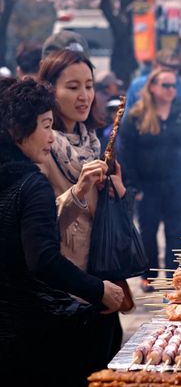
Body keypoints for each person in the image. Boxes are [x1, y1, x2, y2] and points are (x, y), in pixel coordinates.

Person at [0, 79, 123, 387]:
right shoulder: (30, 184)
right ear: (16, 129)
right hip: (27, 339)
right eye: (46, 126)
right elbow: (43, 260)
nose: (51, 137)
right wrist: (99, 290)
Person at [38, 49, 127, 366]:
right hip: (66, 286)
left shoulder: (95, 142)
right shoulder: (42, 147)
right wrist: (79, 190)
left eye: (88, 86)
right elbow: (39, 226)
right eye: (72, 87)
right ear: (50, 89)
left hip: (103, 275)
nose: (84, 96)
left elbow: (106, 215)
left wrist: (116, 194)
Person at [120, 66, 181, 289]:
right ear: (153, 87)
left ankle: (172, 277)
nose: (170, 90)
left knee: (176, 231)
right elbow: (126, 152)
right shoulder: (137, 115)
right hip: (148, 186)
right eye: (165, 85)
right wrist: (132, 185)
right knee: (148, 231)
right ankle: (147, 274)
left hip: (178, 183)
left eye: (173, 86)